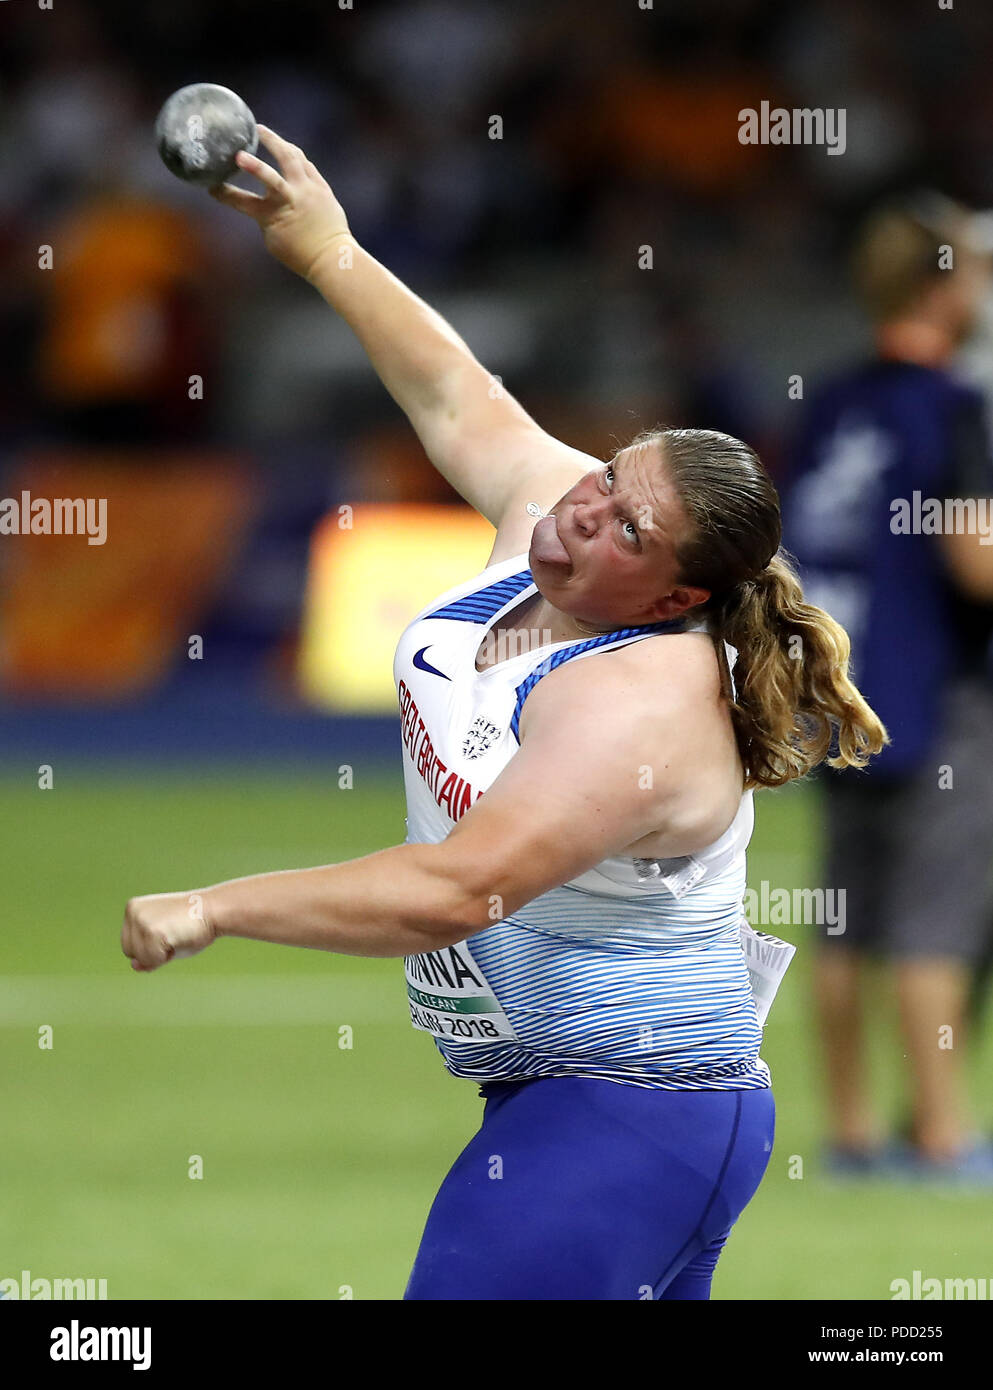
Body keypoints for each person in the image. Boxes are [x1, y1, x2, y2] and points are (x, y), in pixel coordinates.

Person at [121, 127, 885, 1299]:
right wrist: (326, 249)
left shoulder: (644, 696)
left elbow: (455, 890)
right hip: (572, 1095)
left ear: (679, 594)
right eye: (607, 481)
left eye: (628, 528)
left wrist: (217, 906)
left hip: (634, 1112)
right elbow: (453, 392)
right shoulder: (552, 514)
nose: (588, 511)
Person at [783, 193, 993, 1181]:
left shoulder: (831, 400)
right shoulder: (954, 407)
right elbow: (975, 561)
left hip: (834, 687)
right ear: (941, 286)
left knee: (842, 922)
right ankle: (945, 1139)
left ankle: (854, 1132)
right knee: (934, 923)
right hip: (934, 692)